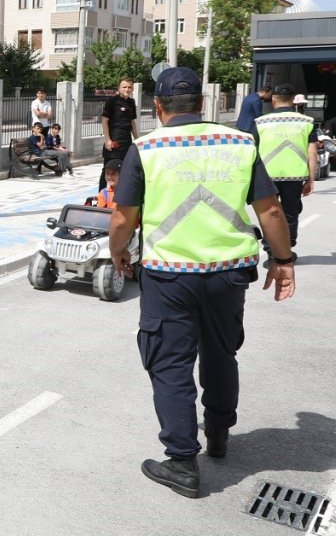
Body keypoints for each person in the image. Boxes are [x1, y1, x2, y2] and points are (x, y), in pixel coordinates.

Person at [107, 67, 296, 499]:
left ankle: (181, 462)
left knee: (170, 363)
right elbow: (269, 212)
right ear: (203, 105)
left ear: (157, 107)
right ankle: (218, 434)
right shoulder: (240, 142)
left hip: (169, 276)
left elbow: (123, 217)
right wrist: (283, 260)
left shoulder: (147, 147)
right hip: (228, 274)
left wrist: (119, 251)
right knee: (221, 353)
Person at [249, 83, 317, 254]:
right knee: (291, 214)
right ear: (293, 101)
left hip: (266, 177)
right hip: (295, 176)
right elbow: (313, 152)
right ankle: (287, 248)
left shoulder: (260, 122)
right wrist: (311, 179)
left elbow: (252, 150)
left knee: (268, 213)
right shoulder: (307, 122)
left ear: (273, 100)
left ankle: (270, 249)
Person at [99, 78, 138, 190]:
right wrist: (107, 140)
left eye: (129, 87)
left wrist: (137, 139)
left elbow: (132, 122)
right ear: (119, 88)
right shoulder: (112, 101)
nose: (127, 89)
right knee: (108, 170)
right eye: (124, 87)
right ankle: (100, 197)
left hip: (127, 141)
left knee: (124, 170)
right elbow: (104, 120)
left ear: (133, 88)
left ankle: (119, 196)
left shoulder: (131, 102)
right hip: (114, 140)